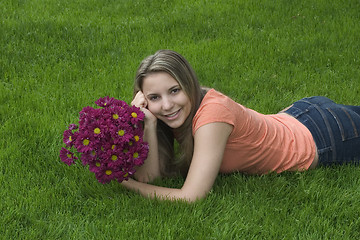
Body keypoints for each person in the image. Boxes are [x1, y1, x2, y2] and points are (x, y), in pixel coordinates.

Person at [121, 49, 360, 202]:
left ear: (189, 84)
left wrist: (127, 183)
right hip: (299, 115)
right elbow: (152, 177)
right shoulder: (171, 112)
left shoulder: (212, 117)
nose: (166, 105)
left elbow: (190, 197)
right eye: (154, 98)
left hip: (327, 138)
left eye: (174, 91)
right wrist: (147, 123)